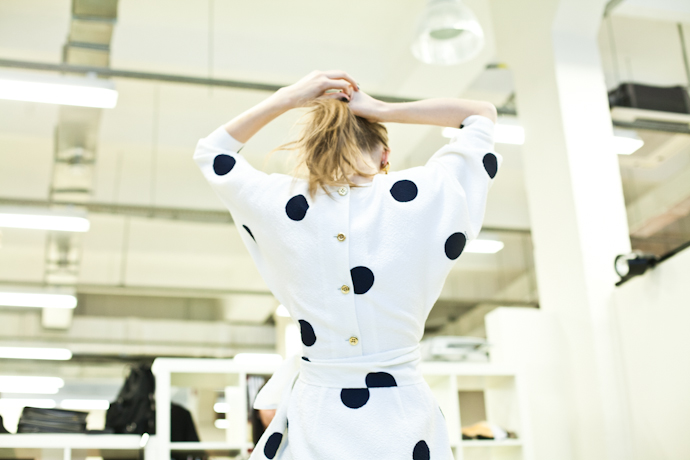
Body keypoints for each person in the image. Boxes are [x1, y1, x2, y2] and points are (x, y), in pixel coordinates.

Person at [194, 70, 501, 460]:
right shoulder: (426, 197)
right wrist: (381, 108)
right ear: (385, 155)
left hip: (317, 417)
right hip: (403, 417)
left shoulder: (279, 202)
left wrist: (289, 97)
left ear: (311, 152)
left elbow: (212, 152)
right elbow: (481, 115)